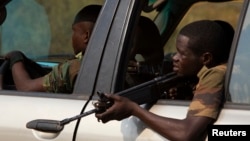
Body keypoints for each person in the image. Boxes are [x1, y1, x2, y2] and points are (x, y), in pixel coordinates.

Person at [95, 20, 234, 141]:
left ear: (206, 59)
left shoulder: (215, 74)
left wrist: (133, 109)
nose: (174, 57)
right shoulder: (229, 69)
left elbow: (186, 134)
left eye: (182, 53)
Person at [4, 5, 102, 93]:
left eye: (74, 31)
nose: (72, 37)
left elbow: (26, 88)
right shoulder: (105, 62)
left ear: (86, 36)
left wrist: (15, 58)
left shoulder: (77, 67)